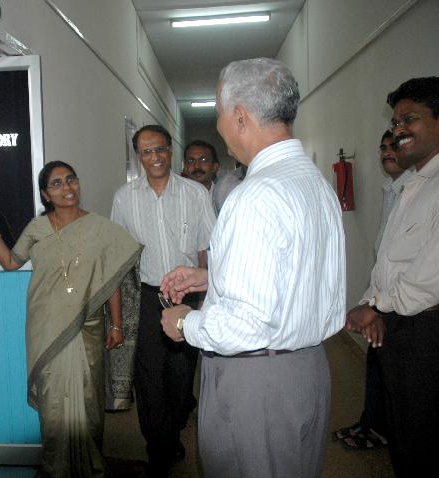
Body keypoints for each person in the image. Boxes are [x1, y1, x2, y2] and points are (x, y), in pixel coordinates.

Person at [159, 58, 345, 478]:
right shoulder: (314, 183)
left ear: (240, 116)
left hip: (257, 378)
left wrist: (185, 322)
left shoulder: (254, 196)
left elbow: (246, 325)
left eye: (220, 113)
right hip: (307, 368)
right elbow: (297, 271)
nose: (219, 125)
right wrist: (214, 277)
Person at [0, 161, 142, 478]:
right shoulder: (37, 228)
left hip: (88, 327)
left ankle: (92, 467)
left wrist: (116, 324)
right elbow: (10, 262)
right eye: (57, 183)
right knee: (53, 402)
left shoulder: (100, 228)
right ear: (46, 194)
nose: (67, 188)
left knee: (89, 399)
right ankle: (56, 468)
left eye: (71, 180)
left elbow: (111, 280)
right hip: (46, 325)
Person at [345, 76, 439, 476]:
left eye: (410, 119)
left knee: (422, 438)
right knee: (404, 432)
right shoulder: (412, 183)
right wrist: (373, 303)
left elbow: (429, 277)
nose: (399, 130)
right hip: (400, 326)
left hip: (427, 331)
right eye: (396, 121)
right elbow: (388, 260)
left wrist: (375, 306)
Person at [111, 124, 215, 476]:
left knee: (181, 376)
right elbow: (120, 255)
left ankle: (170, 435)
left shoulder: (195, 194)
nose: (154, 157)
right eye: (146, 151)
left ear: (171, 150)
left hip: (188, 296)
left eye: (160, 149)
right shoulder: (124, 198)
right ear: (138, 157)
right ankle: (158, 448)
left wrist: (207, 298)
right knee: (149, 376)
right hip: (147, 296)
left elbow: (206, 248)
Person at [334, 131, 410, 450]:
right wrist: (372, 301)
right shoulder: (392, 188)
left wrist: (377, 307)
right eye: (383, 148)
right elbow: (384, 255)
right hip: (383, 299)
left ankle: (380, 428)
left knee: (394, 374)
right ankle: (372, 424)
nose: (387, 152)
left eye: (394, 146)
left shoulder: (418, 189)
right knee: (377, 364)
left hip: (404, 304)